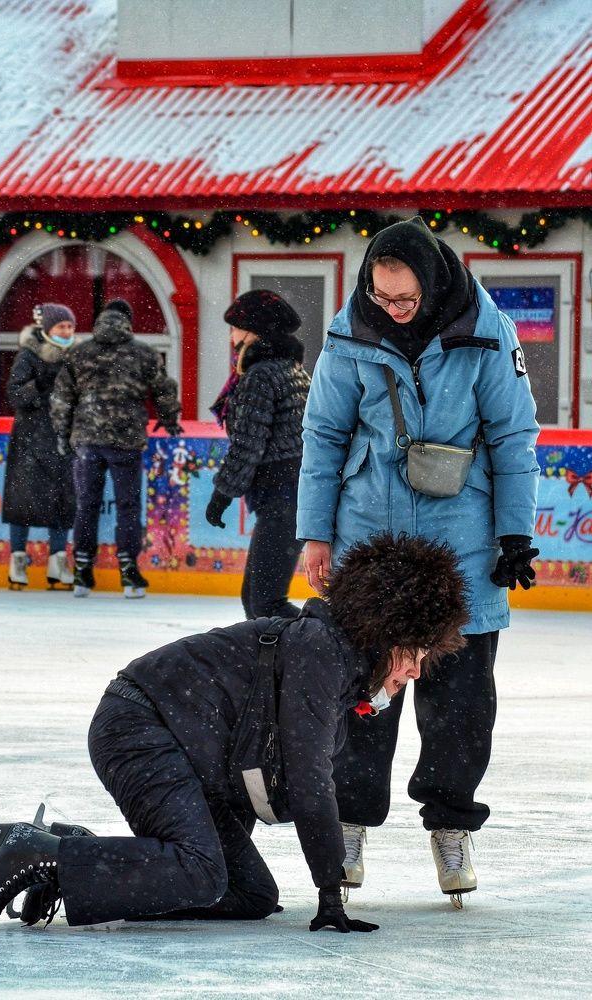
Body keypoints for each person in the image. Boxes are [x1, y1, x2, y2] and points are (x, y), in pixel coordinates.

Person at [0, 531, 469, 933]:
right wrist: (329, 891)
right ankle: (37, 854)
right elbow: (310, 780)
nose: (415, 673)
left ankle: (69, 858)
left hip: (188, 752)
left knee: (250, 895)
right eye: (414, 655)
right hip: (138, 726)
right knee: (200, 871)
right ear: (386, 636)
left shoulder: (338, 672)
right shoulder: (321, 654)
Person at [296, 216, 540, 905]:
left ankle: (450, 824)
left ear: (430, 285)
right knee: (362, 697)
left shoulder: (485, 332)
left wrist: (514, 534)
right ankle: (347, 825)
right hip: (369, 538)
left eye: (403, 299)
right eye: (381, 296)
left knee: (459, 703)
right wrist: (316, 533)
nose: (392, 309)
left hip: (461, 537)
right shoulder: (350, 333)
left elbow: (513, 432)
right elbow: (323, 433)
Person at [50, 298, 182, 599]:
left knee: (86, 505)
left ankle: (82, 571)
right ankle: (128, 572)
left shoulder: (78, 353)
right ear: (128, 321)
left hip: (87, 441)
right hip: (126, 441)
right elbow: (164, 388)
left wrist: (63, 433)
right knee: (128, 506)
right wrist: (169, 418)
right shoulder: (144, 354)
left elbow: (61, 398)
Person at [206, 290, 310, 619]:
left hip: (283, 494)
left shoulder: (261, 377)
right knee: (258, 601)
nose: (232, 337)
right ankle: (284, 666)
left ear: (254, 333)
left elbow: (249, 443)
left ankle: (333, 652)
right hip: (293, 494)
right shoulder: (291, 370)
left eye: (236, 328)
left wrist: (222, 493)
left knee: (265, 603)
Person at [2, 303, 77, 590]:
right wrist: (40, 388)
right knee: (22, 501)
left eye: (70, 326)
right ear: (47, 329)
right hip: (30, 440)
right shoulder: (29, 355)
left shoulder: (75, 357)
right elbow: (15, 393)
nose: (67, 331)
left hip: (62, 438)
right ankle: (18, 563)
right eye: (61, 326)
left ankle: (58, 563)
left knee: (63, 501)